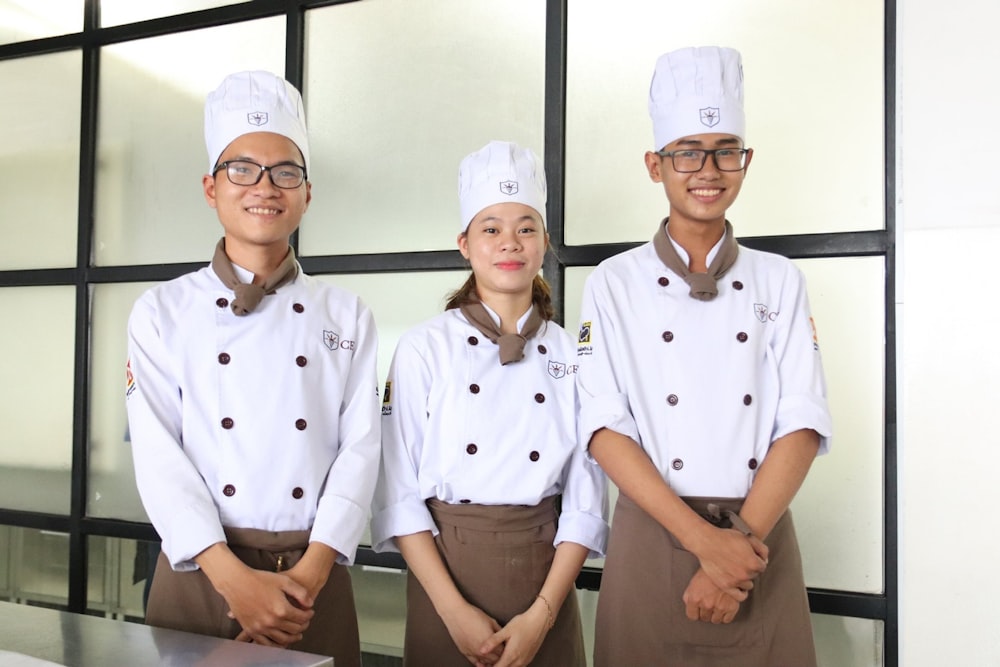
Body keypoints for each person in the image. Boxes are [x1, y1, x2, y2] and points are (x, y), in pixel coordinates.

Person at [576, 46, 833, 666]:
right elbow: (604, 427)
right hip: (653, 536)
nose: (708, 169)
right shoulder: (612, 282)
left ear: (746, 161)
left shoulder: (780, 280)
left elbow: (801, 422)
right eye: (687, 151)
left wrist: (734, 548)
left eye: (726, 150)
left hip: (757, 540)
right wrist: (704, 544)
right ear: (654, 165)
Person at [125, 70, 380, 666]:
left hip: (312, 581)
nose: (265, 186)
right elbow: (159, 455)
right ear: (211, 187)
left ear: (307, 194)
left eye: (285, 171)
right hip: (200, 573)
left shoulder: (346, 314)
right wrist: (234, 581)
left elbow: (362, 448)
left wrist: (310, 575)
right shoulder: (162, 310)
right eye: (243, 168)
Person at [372, 140, 609, 667]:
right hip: (446, 578)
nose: (510, 243)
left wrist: (542, 615)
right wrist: (453, 611)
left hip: (545, 580)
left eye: (526, 227)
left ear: (545, 241)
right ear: (464, 243)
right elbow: (398, 491)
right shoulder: (422, 348)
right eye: (491, 228)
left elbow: (586, 497)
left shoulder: (573, 353)